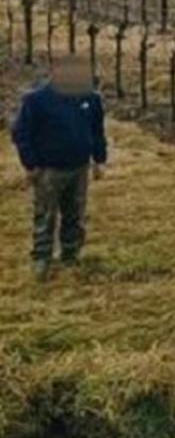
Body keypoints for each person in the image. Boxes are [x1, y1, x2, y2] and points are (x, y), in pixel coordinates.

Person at [11, 56, 108, 282]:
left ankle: (71, 254)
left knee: (75, 213)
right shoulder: (37, 100)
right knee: (45, 215)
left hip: (80, 167)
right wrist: (31, 164)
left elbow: (97, 131)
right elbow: (21, 133)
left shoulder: (90, 100)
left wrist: (99, 160)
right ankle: (42, 258)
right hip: (48, 170)